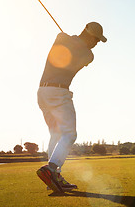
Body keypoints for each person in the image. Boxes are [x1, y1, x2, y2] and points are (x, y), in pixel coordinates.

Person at [36, 22, 107, 192]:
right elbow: (72, 45)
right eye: (96, 40)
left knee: (56, 134)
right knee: (70, 134)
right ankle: (51, 169)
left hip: (42, 93)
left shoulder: (83, 52)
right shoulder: (84, 51)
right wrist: (73, 41)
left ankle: (54, 179)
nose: (96, 44)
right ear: (90, 35)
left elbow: (67, 43)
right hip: (58, 93)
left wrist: (72, 40)